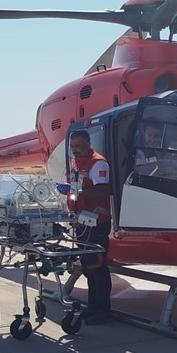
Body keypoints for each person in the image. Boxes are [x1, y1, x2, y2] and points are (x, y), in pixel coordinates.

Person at [61, 130, 113, 324]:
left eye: (78, 146)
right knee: (88, 267)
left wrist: (77, 191)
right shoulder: (77, 163)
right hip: (82, 222)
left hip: (96, 223)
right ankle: (93, 306)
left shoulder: (97, 163)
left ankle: (103, 309)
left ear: (88, 144)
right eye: (72, 146)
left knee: (98, 266)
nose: (75, 150)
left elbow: (102, 191)